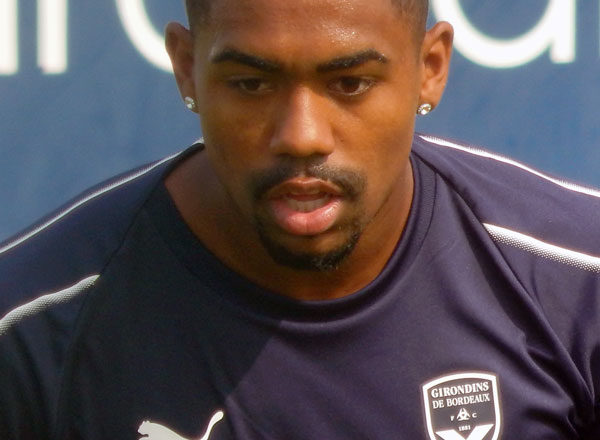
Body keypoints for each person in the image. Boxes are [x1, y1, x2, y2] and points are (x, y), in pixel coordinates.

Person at [1, 0, 600, 438]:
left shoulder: (579, 284)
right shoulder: (29, 329)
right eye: (251, 84)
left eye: (350, 83)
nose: (301, 136)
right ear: (186, 67)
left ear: (431, 67)